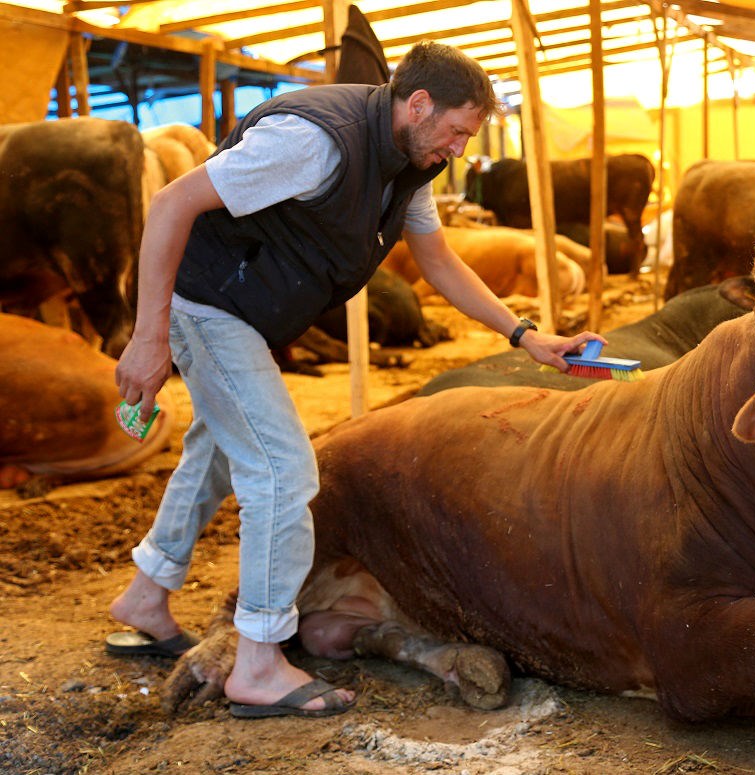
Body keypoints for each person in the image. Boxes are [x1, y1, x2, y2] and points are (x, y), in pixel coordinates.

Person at [106, 41, 603, 719]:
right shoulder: (315, 142)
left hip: (247, 310)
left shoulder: (407, 167)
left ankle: (146, 593)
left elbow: (440, 263)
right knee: (284, 470)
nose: (460, 149)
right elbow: (170, 204)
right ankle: (257, 659)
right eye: (458, 130)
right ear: (419, 105)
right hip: (205, 302)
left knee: (220, 446)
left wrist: (525, 335)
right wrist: (148, 333)